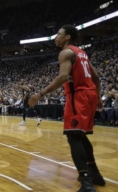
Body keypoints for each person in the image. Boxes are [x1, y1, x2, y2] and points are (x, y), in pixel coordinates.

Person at [29, 25, 105, 191]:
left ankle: (86, 182)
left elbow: (63, 76)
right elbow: (97, 77)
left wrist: (40, 94)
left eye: (59, 34)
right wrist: (98, 97)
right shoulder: (82, 53)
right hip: (90, 94)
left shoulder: (66, 52)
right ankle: (95, 175)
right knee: (81, 135)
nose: (56, 37)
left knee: (73, 136)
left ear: (68, 37)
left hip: (78, 95)